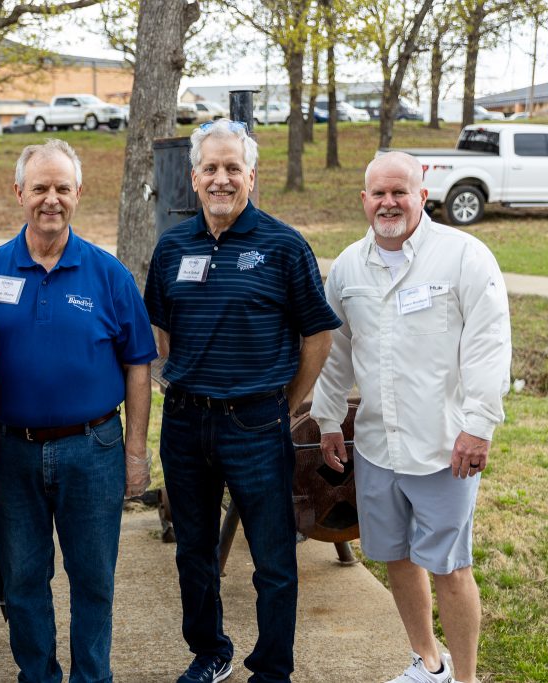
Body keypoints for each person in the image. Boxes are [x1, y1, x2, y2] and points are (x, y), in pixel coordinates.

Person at [143, 119, 341, 683]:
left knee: (273, 559)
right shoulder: (172, 245)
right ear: (194, 177)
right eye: (211, 168)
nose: (222, 179)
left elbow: (318, 335)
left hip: (256, 423)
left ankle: (272, 668)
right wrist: (187, 374)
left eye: (233, 168)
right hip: (185, 422)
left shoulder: (283, 245)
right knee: (193, 552)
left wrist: (286, 402)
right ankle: (210, 652)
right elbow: (162, 329)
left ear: (251, 175)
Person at [311, 152, 511, 683]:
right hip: (378, 446)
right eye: (378, 193)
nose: (388, 202)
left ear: (423, 195)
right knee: (396, 557)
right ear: (364, 200)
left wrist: (479, 424)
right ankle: (429, 662)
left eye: (400, 191)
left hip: (445, 447)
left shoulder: (464, 256)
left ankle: (464, 678)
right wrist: (329, 420)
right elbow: (336, 352)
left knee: (450, 567)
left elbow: (490, 345)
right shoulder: (350, 266)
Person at [0, 138, 157, 683]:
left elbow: (138, 366)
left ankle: (92, 677)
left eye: (62, 188)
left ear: (78, 195)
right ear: (19, 192)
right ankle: (39, 676)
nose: (51, 199)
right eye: (40, 188)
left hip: (92, 449)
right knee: (23, 580)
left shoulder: (108, 274)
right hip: (12, 450)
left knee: (93, 579)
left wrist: (137, 454)